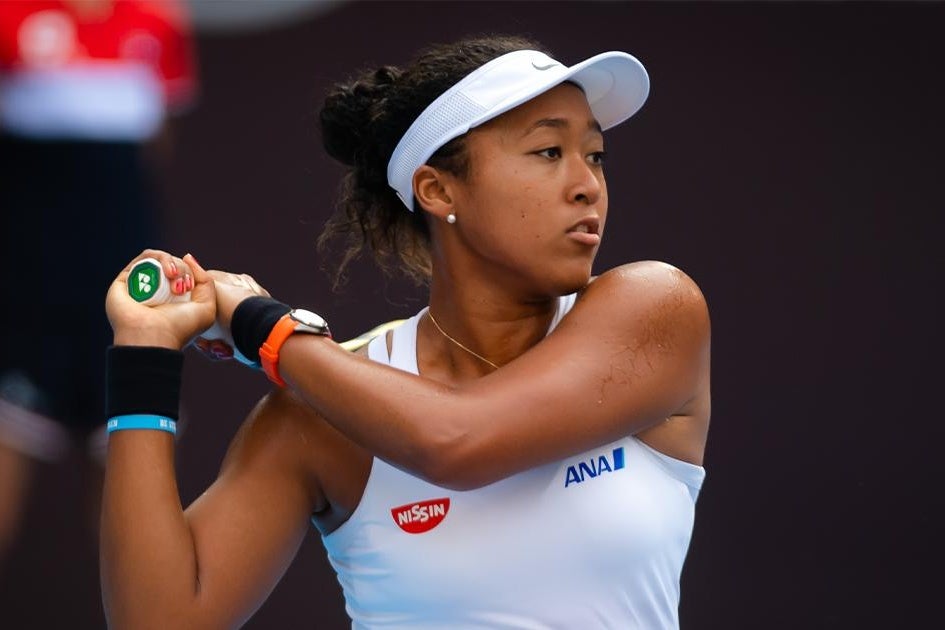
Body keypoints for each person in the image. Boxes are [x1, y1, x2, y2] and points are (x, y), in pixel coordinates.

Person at [101, 35, 711, 628]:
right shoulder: (321, 412)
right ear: (438, 190)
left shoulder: (657, 309)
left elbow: (457, 440)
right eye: (549, 152)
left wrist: (262, 326)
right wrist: (144, 350)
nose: (588, 185)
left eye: (595, 155)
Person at [0, 0, 197, 569]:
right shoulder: (11, 16)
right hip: (22, 286)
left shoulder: (158, 21)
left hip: (122, 284)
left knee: (133, 480)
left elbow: (153, 147)